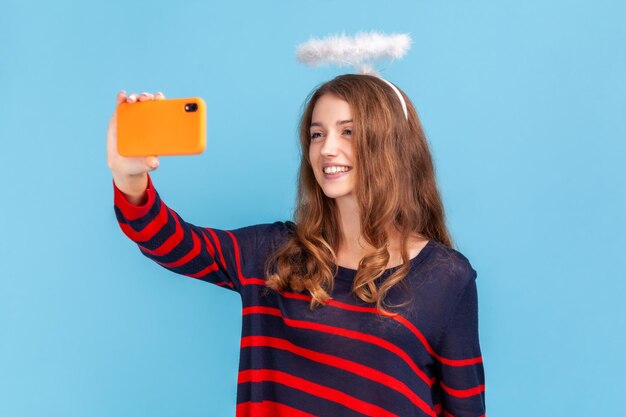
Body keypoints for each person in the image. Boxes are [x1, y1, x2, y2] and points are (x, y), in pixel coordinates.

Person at [107, 74, 486, 417]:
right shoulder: (271, 253)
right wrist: (128, 175)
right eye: (317, 134)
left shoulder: (447, 278)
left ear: (391, 145)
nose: (327, 149)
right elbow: (169, 241)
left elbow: (466, 410)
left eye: (348, 132)